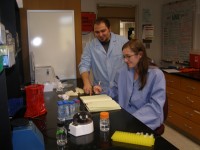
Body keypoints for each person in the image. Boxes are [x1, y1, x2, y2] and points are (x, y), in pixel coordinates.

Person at [94, 39, 166, 130]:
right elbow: (115, 92)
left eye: (128, 56)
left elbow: (155, 107)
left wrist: (131, 119)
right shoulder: (122, 72)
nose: (125, 60)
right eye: (124, 57)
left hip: (145, 120)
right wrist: (103, 90)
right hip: (125, 117)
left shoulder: (156, 75)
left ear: (140, 55)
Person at [79, 17, 128, 95]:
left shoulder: (123, 42)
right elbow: (84, 65)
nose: (100, 35)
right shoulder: (90, 46)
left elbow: (131, 62)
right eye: (97, 32)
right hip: (100, 89)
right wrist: (86, 82)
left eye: (103, 31)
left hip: (121, 87)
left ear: (109, 29)